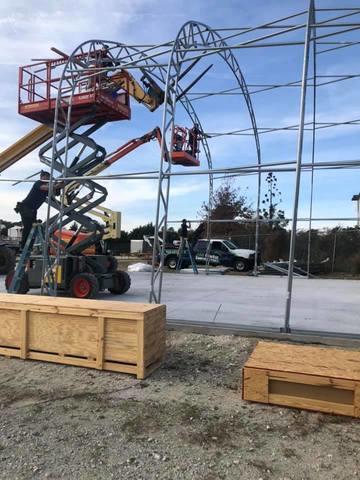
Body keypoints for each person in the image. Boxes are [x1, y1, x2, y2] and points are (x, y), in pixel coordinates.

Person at [15, 171, 62, 249]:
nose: (48, 179)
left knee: (32, 229)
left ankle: (29, 246)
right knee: (28, 227)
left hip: (32, 210)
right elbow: (47, 188)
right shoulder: (38, 183)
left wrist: (58, 187)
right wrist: (56, 185)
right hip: (25, 208)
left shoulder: (46, 188)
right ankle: (24, 247)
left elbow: (54, 194)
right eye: (47, 177)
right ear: (42, 177)